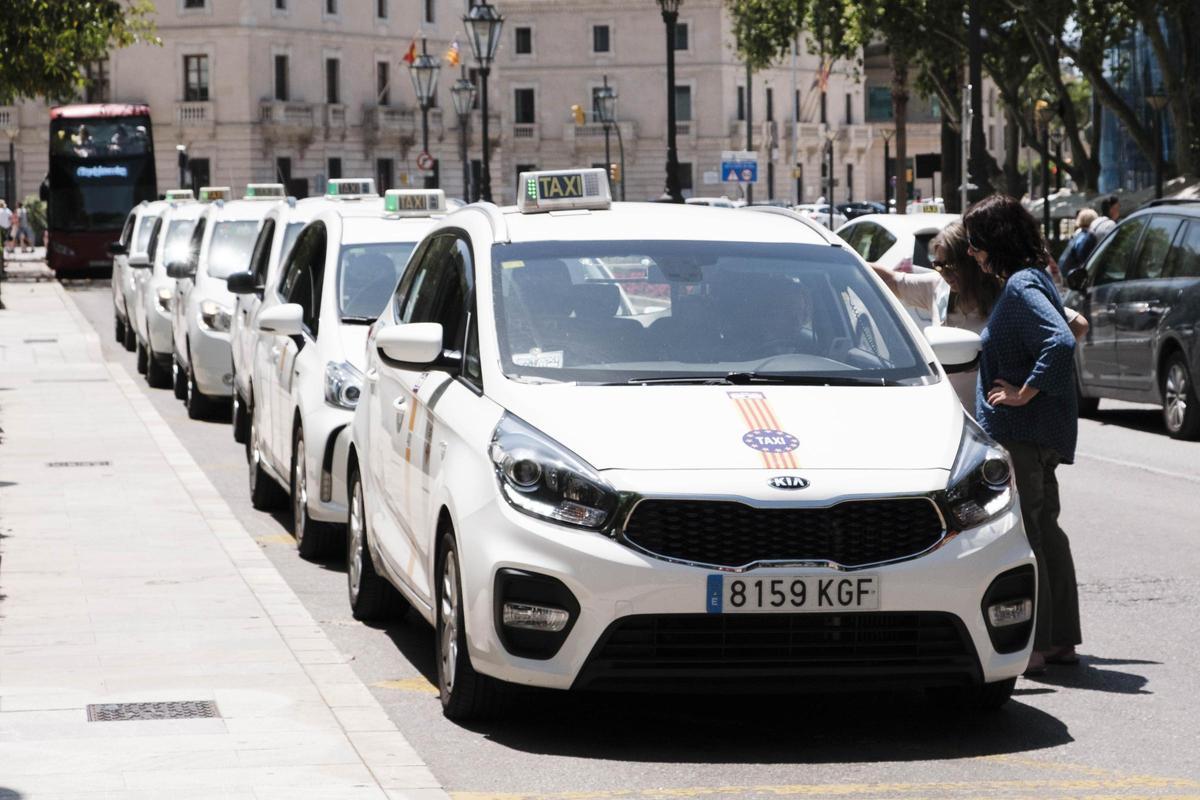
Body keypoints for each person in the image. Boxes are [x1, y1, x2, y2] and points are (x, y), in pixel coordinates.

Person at [963, 194, 1081, 676]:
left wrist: (1022, 393)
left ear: (994, 242)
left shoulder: (1020, 285)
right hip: (1037, 434)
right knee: (1045, 530)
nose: (972, 253)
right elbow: (1068, 328)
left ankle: (1034, 645)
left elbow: (1062, 340)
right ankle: (1058, 641)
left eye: (975, 243)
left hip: (1023, 433)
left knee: (1029, 535)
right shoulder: (1036, 278)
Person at [871, 222, 1087, 416]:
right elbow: (892, 280)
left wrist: (1025, 389)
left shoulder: (1009, 293)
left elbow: (1076, 326)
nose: (945, 273)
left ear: (972, 261)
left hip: (997, 421)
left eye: (952, 265)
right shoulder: (937, 287)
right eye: (938, 265)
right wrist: (844, 258)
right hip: (951, 417)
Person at [1057, 208, 1099, 281]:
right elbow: (1082, 256)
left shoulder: (1078, 234)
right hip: (1074, 274)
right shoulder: (1089, 236)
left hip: (1065, 272)